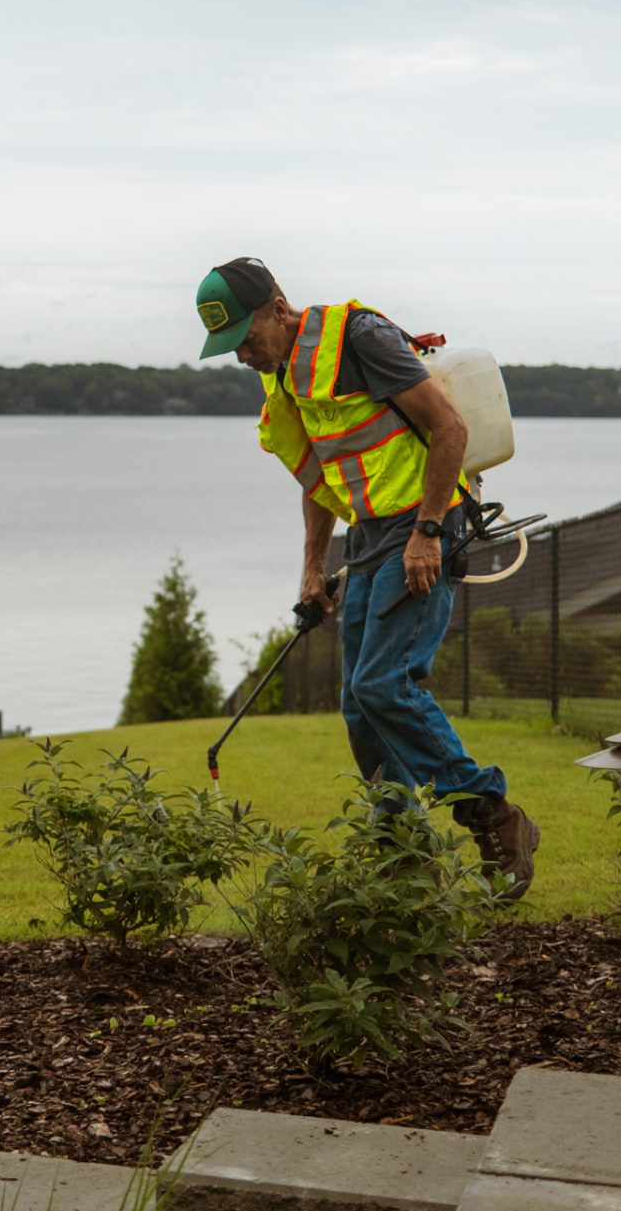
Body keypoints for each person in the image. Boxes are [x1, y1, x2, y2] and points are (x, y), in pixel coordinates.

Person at [196, 255, 540, 896]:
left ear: (278, 307)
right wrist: (312, 571)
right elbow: (319, 480)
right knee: (359, 703)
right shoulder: (283, 378)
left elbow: (451, 427)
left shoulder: (358, 339)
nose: (243, 355)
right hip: (371, 536)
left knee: (385, 682)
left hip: (424, 521)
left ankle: (496, 816)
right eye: (230, 348)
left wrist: (429, 531)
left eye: (246, 339)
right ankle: (401, 854)